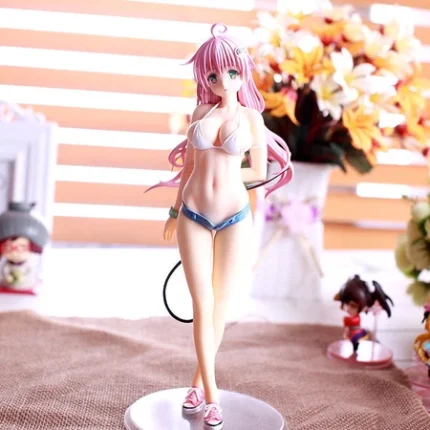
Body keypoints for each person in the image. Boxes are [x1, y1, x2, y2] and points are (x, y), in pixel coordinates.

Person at [146, 22, 292, 429]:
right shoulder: (199, 113)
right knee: (202, 303)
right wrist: (174, 211)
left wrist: (231, 178)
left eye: (230, 72)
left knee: (220, 305)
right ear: (204, 78)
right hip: (193, 212)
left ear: (242, 71)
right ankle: (212, 397)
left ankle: (197, 385)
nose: (223, 81)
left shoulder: (252, 118)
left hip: (234, 217)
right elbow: (188, 169)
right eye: (212, 75)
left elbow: (258, 173)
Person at [334, 275, 393, 353]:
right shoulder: (353, 317)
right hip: (352, 332)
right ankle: (354, 348)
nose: (347, 308)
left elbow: (352, 323)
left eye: (353, 306)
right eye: (345, 303)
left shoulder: (354, 318)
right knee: (353, 341)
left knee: (355, 340)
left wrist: (347, 322)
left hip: (355, 332)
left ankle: (355, 347)